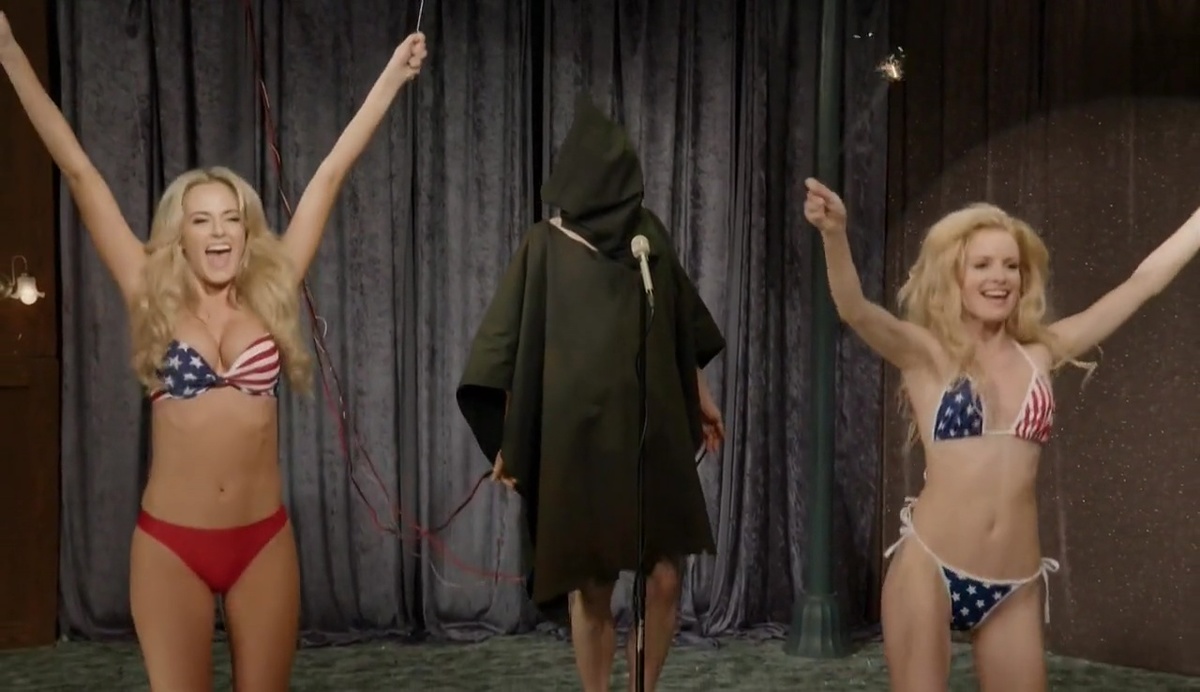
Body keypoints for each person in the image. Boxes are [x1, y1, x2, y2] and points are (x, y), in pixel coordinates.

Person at [0, 13, 427, 691]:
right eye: (202, 220)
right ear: (181, 236)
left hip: (263, 542)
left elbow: (328, 175)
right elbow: (80, 172)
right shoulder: (148, 288)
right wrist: (9, 55)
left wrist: (391, 79)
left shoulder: (273, 285)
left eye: (232, 218)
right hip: (170, 546)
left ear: (248, 232)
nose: (219, 232)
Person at [803, 176, 1200, 691]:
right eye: (983, 265)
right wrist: (834, 235)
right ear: (955, 276)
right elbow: (855, 309)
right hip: (930, 568)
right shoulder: (927, 354)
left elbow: (1143, 282)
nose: (1000, 278)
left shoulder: (1042, 351)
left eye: (1011, 266)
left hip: (1014, 583)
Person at [456, 95, 726, 692]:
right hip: (580, 443)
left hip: (651, 436)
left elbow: (679, 320)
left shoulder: (648, 236)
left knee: (665, 578)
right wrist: (507, 440)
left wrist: (700, 395)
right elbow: (505, 346)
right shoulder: (545, 246)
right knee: (593, 583)